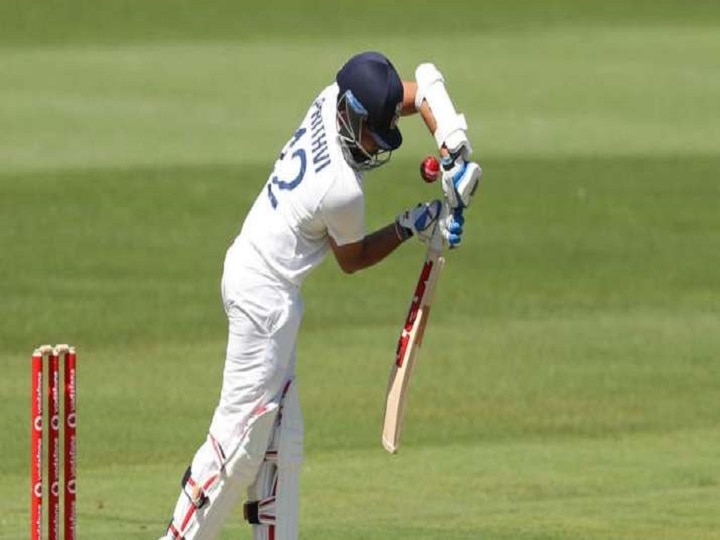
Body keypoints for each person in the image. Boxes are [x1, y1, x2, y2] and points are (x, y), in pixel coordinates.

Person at [159, 51, 481, 540]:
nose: (378, 145)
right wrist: (410, 223)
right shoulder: (341, 189)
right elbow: (351, 260)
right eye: (374, 132)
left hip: (261, 280)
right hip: (263, 298)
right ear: (352, 115)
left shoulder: (333, 95)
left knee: (281, 443)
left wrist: (454, 149)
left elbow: (423, 87)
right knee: (238, 448)